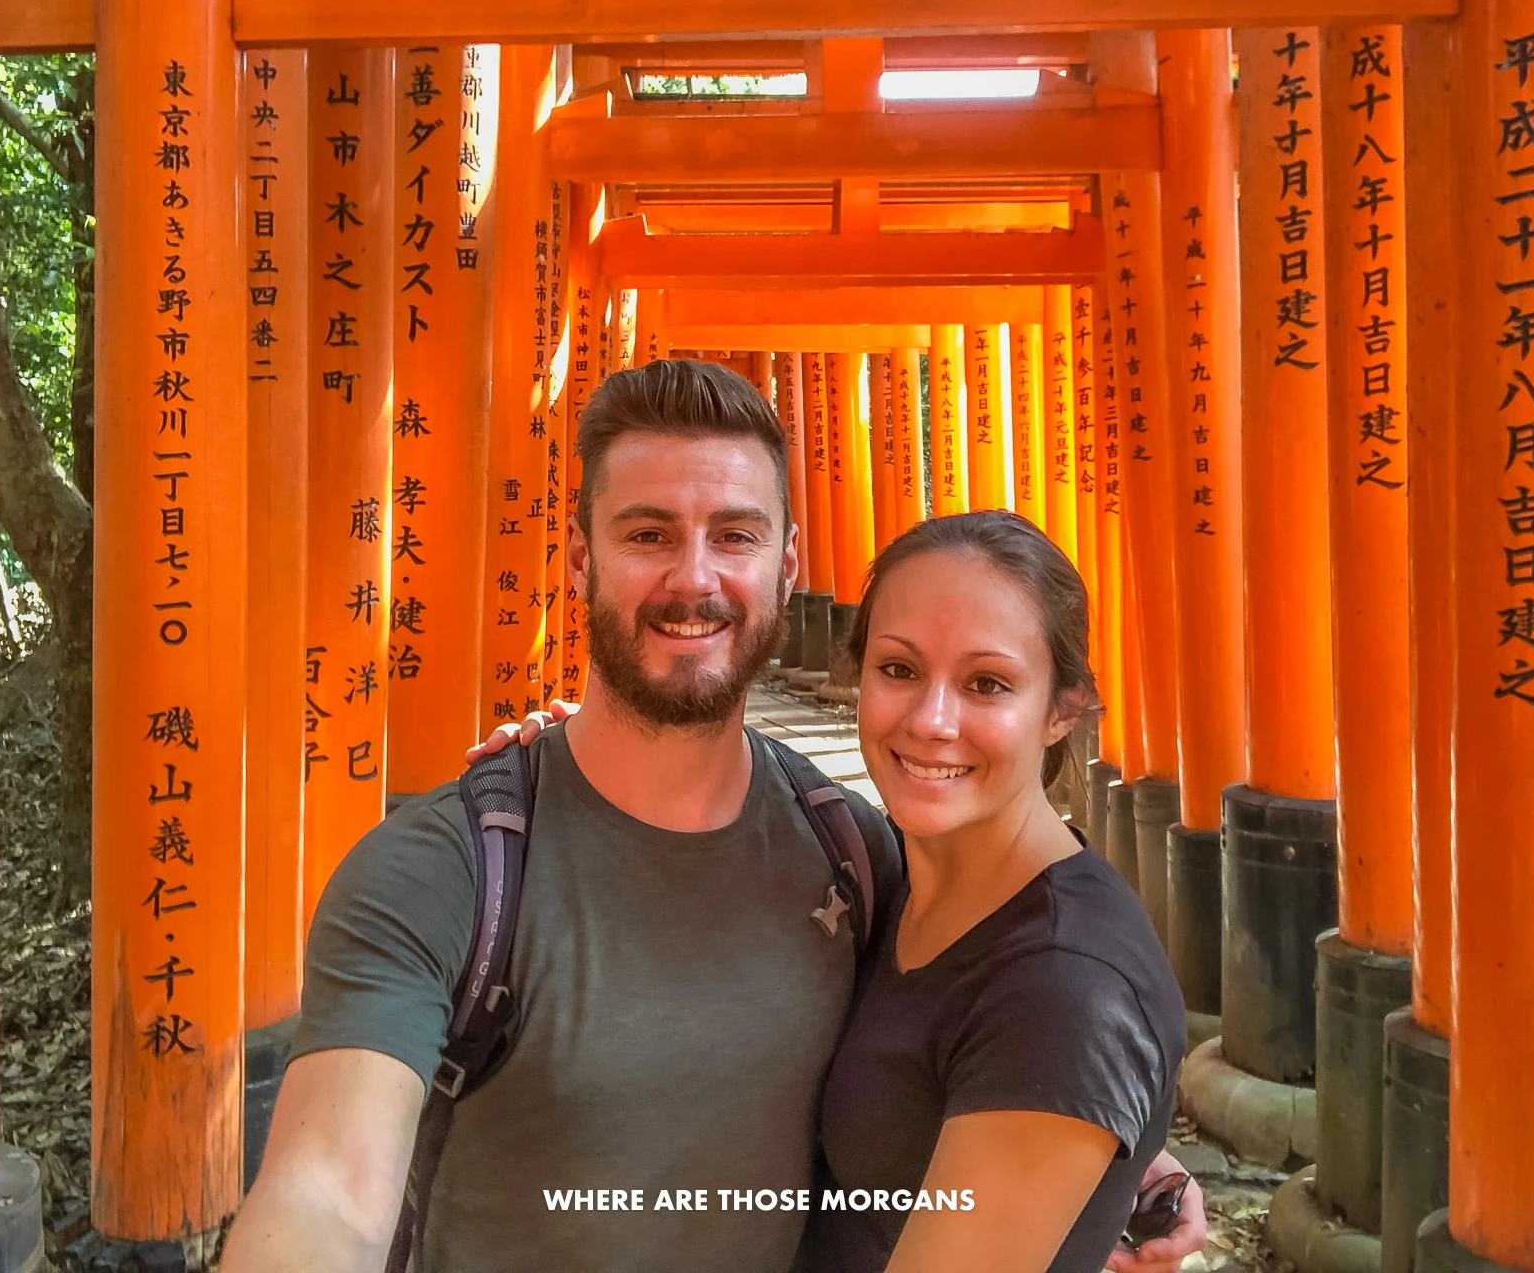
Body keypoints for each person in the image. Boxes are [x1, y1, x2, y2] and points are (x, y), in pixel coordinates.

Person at [221, 361, 1200, 1273]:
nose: (694, 578)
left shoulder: (849, 850)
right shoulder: (447, 872)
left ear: (785, 564)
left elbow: (1015, 1018)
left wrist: (1116, 1149)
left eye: (734, 534)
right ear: (576, 557)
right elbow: (326, 1190)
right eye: (648, 533)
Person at [797, 510, 1188, 1272]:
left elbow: (1065, 1046)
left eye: (987, 683)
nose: (931, 720)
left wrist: (1090, 1104)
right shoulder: (894, 870)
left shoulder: (1066, 991)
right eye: (899, 669)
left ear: (1061, 711)